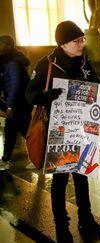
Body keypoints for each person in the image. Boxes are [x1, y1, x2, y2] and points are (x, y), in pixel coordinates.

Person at [25, 20, 100, 242]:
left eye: (82, 39)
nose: (82, 43)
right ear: (63, 44)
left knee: (82, 177)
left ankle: (86, 218)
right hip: (57, 133)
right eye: (77, 40)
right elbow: (29, 94)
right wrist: (45, 96)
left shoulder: (84, 64)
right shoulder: (47, 64)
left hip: (81, 131)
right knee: (60, 182)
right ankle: (61, 225)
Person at [0, 35, 33, 170]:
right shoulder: (6, 61)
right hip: (17, 103)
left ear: (8, 46)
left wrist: (10, 106)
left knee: (25, 131)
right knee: (11, 130)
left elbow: (15, 85)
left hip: (20, 104)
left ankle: (39, 158)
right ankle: (6, 159)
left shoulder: (13, 63)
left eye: (0, 44)